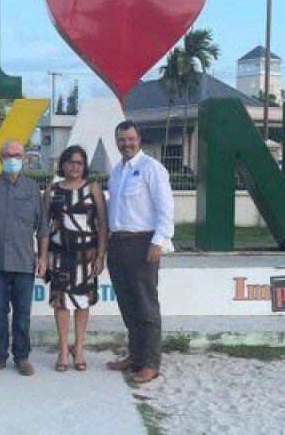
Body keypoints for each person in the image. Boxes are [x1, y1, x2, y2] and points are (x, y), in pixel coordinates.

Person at [0, 140, 49, 377]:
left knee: (23, 313)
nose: (12, 159)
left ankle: (22, 357)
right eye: (7, 155)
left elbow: (43, 228)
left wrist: (43, 258)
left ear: (24, 159)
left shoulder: (32, 189)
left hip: (25, 262)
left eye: (17, 155)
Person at [106, 120, 174, 384]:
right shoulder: (117, 171)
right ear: (117, 142)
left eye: (131, 139)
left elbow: (165, 209)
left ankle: (151, 363)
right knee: (127, 304)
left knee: (146, 305)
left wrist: (158, 241)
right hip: (118, 244)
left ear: (139, 139)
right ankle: (134, 355)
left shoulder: (152, 169)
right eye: (122, 140)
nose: (127, 144)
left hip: (143, 244)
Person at [43, 145, 107, 372]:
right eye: (70, 162)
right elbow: (44, 227)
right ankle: (62, 350)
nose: (75, 166)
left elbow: (102, 224)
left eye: (79, 162)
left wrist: (101, 255)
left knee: (82, 302)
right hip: (59, 254)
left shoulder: (93, 188)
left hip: (86, 255)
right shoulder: (52, 190)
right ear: (63, 164)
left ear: (84, 165)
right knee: (61, 303)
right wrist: (43, 257)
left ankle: (78, 349)